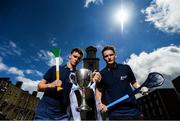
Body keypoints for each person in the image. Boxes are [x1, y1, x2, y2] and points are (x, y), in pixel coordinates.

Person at [34, 48, 83, 120]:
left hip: (63, 116)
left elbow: (79, 94)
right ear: (70, 56)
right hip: (44, 113)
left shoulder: (78, 76)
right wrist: (51, 85)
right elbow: (39, 87)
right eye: (75, 56)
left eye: (79, 58)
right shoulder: (54, 68)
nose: (76, 59)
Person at [96, 46, 142, 120]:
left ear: (115, 55)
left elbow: (134, 82)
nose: (109, 57)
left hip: (133, 110)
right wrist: (100, 103)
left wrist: (141, 88)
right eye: (106, 56)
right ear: (104, 58)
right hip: (114, 113)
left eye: (111, 55)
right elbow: (98, 90)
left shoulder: (126, 68)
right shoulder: (101, 74)